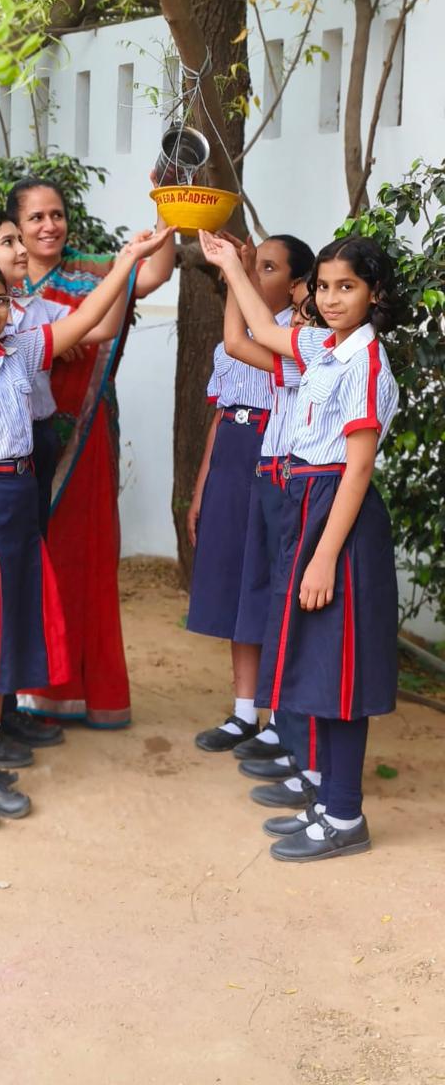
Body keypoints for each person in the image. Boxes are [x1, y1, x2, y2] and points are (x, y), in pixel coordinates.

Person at [0, 223, 173, 832]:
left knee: (3, 643)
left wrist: (128, 261)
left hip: (16, 503)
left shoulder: (22, 352)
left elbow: (87, 321)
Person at [199, 230, 401, 862]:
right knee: (317, 666)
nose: (333, 299)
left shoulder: (366, 363)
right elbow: (259, 329)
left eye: (348, 287)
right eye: (324, 287)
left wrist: (323, 557)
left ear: (374, 294)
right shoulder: (324, 347)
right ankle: (328, 799)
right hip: (307, 504)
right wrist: (231, 265)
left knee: (340, 674)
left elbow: (358, 469)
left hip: (337, 515)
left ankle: (344, 815)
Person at [0, 206, 128, 753]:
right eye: (9, 240)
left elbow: (88, 322)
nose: (23, 249)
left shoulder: (19, 340)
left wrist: (129, 260)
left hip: (19, 471)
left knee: (10, 605)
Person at [6, 177, 175, 729]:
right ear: (16, 227)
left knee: (83, 555)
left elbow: (155, 272)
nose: (49, 225)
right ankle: (25, 694)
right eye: (36, 217)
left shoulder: (93, 271)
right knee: (31, 558)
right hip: (16, 439)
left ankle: (85, 692)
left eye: (56, 214)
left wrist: (166, 201)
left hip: (83, 435)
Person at [187, 235, 315, 753]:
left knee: (269, 584)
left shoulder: (297, 336)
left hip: (272, 456)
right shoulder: (229, 343)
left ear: (298, 284)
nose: (254, 274)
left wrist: (234, 273)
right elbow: (221, 416)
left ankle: (280, 714)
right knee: (239, 584)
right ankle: (244, 712)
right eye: (251, 266)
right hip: (232, 460)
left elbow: (248, 340)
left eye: (267, 267)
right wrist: (202, 487)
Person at [222, 270, 323, 810]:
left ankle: (299, 743)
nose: (300, 321)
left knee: (297, 615)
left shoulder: (326, 361)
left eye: (309, 313)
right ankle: (286, 733)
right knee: (276, 604)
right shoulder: (301, 358)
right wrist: (230, 274)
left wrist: (233, 270)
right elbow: (237, 342)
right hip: (275, 476)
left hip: (300, 483)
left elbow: (251, 337)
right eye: (301, 310)